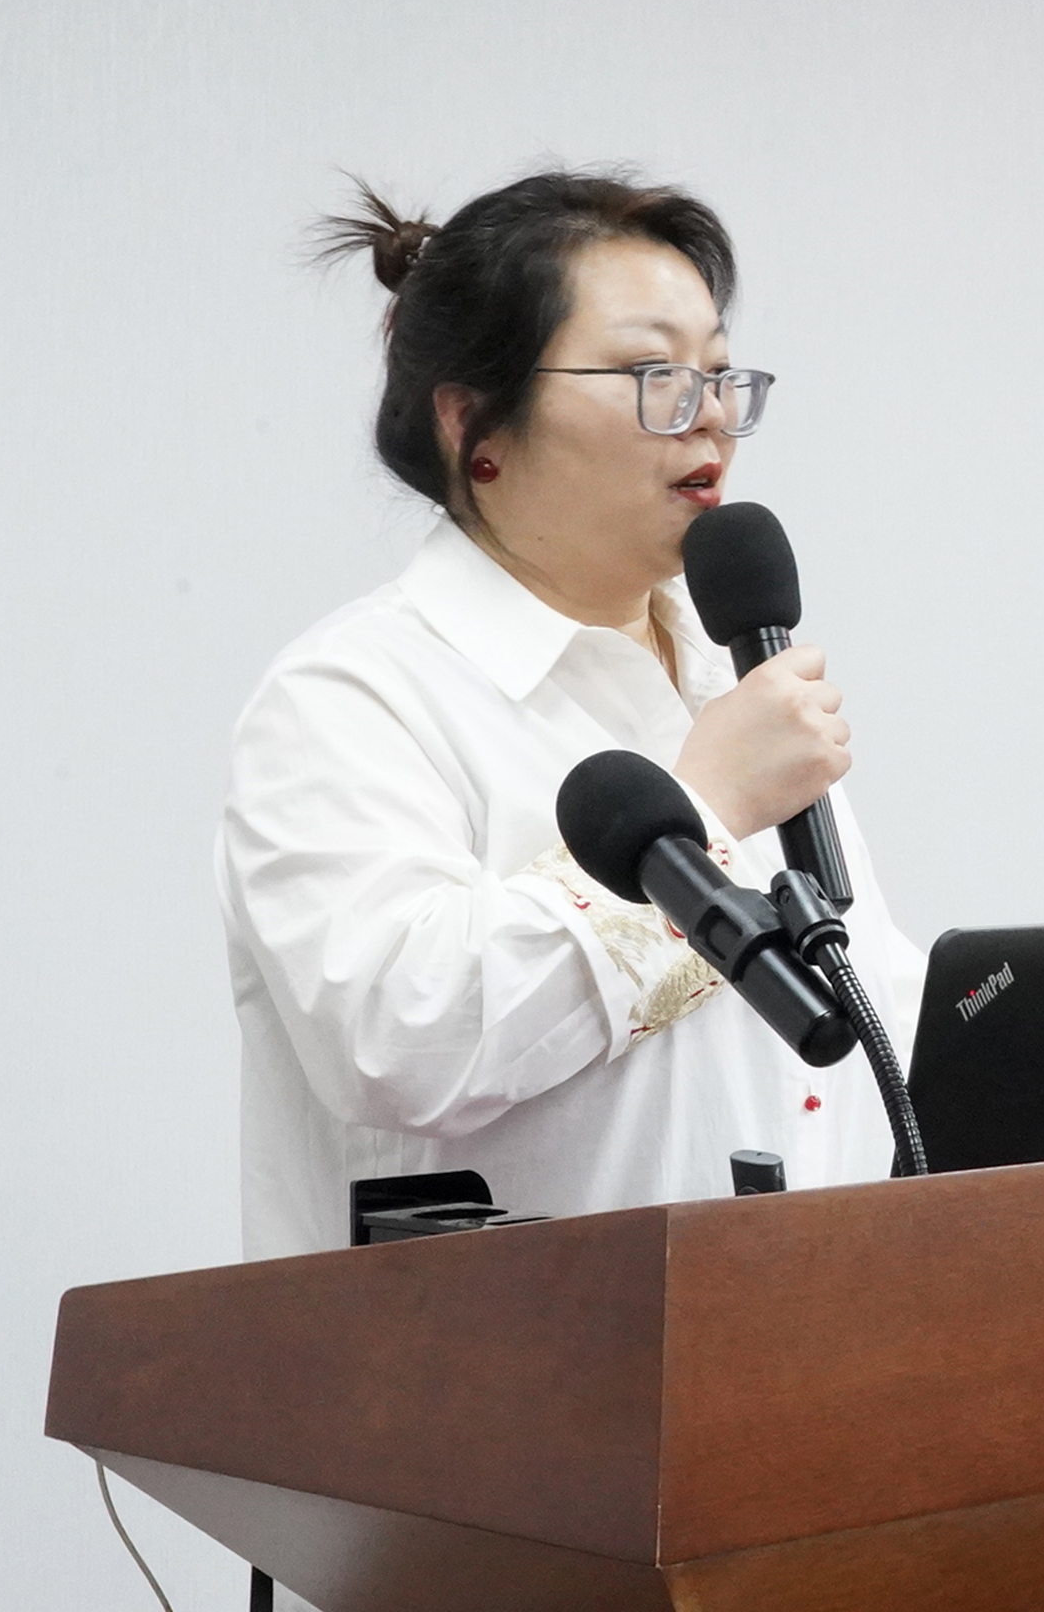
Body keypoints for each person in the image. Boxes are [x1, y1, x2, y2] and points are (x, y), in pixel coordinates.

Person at [218, 168, 921, 1261]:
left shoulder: (730, 680)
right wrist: (707, 808)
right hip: (492, 1361)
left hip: (796, 1331)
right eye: (653, 375)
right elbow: (399, 1038)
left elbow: (868, 1027)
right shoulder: (354, 695)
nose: (711, 415)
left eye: (719, 373)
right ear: (474, 422)